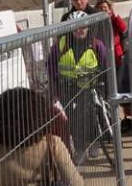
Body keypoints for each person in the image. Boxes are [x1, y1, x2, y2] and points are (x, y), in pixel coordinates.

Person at [47, 16, 110, 163]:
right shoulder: (60, 46)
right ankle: (80, 148)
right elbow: (51, 67)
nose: (80, 30)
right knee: (73, 120)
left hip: (90, 88)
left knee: (90, 116)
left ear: (88, 28)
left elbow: (106, 67)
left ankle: (93, 142)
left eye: (83, 27)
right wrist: (54, 89)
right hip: (67, 89)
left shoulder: (96, 45)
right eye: (76, 27)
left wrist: (105, 88)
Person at [95, 0, 128, 67]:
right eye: (100, 8)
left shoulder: (113, 17)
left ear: (109, 8)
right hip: (103, 51)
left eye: (105, 7)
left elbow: (123, 28)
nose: (103, 9)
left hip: (116, 50)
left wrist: (115, 15)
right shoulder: (96, 20)